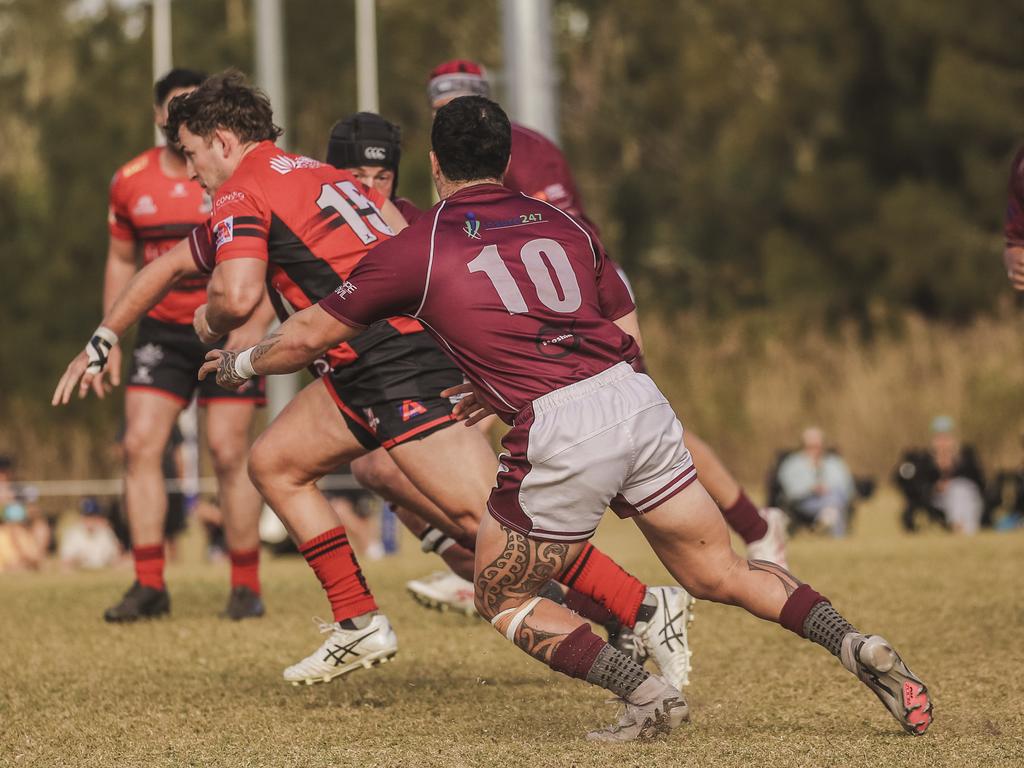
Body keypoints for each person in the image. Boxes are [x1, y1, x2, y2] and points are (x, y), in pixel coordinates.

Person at [202, 96, 933, 742]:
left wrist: (240, 365)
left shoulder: (416, 244)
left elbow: (307, 336)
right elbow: (609, 318)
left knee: (502, 593)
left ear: (432, 164)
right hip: (635, 398)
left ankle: (645, 694)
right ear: (507, 156)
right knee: (724, 571)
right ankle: (852, 641)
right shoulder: (563, 222)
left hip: (560, 424)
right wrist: (511, 384)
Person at [52, 72, 693, 691]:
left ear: (221, 140)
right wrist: (104, 336)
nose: (191, 171)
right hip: (359, 363)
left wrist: (211, 319)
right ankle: (358, 621)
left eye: (191, 154)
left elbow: (236, 290)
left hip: (393, 362)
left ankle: (641, 606)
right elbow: (168, 264)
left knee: (484, 519)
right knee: (275, 462)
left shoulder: (242, 189)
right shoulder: (306, 174)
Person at [426, 59, 788, 569]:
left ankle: (755, 526)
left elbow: (564, 232)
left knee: (641, 418)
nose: (449, 114)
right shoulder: (449, 157)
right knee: (480, 419)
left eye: (458, 102)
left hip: (575, 291)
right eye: (440, 105)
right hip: (526, 297)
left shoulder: (521, 149)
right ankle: (484, 545)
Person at [94, 68, 270, 622]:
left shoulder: (234, 175)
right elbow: (121, 261)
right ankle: (149, 583)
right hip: (163, 332)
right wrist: (110, 335)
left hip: (228, 327)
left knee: (225, 450)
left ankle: (245, 585)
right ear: (158, 115)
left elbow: (270, 253)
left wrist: (254, 323)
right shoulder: (130, 181)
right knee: (139, 444)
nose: (182, 124)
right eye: (174, 111)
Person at [894, 416, 986, 535]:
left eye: (946, 438)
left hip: (967, 499)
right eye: (939, 438)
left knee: (959, 489)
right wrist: (935, 487)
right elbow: (908, 483)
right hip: (937, 501)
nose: (943, 443)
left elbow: (980, 482)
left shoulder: (966, 458)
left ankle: (961, 527)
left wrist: (952, 473)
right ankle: (959, 528)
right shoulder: (923, 461)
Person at [776, 427, 856, 537]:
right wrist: (811, 488)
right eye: (811, 447)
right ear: (803, 446)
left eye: (818, 446)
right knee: (835, 504)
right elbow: (790, 491)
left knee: (835, 498)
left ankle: (828, 521)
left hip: (834, 499)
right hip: (805, 502)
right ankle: (830, 526)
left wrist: (827, 489)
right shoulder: (792, 464)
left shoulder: (835, 463)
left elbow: (847, 488)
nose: (815, 450)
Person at [60, 498, 122, 571]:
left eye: (92, 516)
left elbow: (117, 558)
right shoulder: (73, 534)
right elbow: (65, 563)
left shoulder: (106, 532)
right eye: (87, 516)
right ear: (82, 516)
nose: (90, 520)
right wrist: (77, 560)